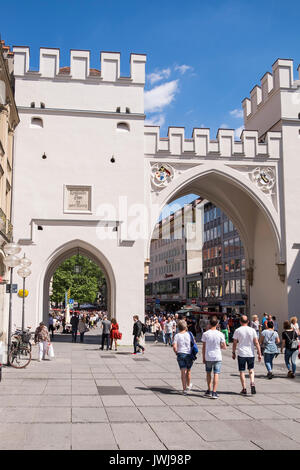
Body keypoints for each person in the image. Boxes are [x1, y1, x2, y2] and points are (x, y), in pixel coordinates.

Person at [232, 315, 262, 395]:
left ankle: (244, 388)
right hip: (250, 353)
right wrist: (259, 353)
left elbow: (234, 343)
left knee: (242, 371)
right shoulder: (252, 330)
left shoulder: (237, 330)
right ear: (248, 321)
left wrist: (233, 352)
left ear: (240, 322)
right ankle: (252, 382)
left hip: (241, 353)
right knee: (251, 369)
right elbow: (256, 342)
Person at [202, 316, 226, 399]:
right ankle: (214, 392)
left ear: (209, 323)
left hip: (208, 356)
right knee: (216, 373)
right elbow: (224, 347)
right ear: (217, 324)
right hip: (217, 356)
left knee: (208, 373)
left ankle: (208, 389)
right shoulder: (220, 334)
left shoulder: (205, 334)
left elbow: (204, 347)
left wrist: (203, 357)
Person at [173, 320, 194, 395]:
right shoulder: (189, 334)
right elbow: (193, 343)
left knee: (183, 372)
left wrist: (176, 352)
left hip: (180, 354)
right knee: (188, 371)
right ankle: (188, 385)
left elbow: (174, 347)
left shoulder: (177, 335)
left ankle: (184, 389)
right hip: (188, 354)